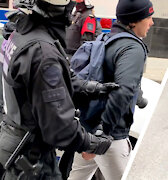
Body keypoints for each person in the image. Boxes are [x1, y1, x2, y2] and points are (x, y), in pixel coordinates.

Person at [0, 0, 116, 179]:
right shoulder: (43, 52)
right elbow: (60, 128)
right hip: (32, 160)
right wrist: (94, 144)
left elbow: (57, 80)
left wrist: (93, 88)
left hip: (13, 142)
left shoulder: (22, 35)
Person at [67, 0, 154, 179]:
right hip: (110, 137)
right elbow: (122, 93)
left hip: (88, 128)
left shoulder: (107, 38)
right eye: (148, 17)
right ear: (134, 21)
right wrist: (103, 136)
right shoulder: (132, 48)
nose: (151, 23)